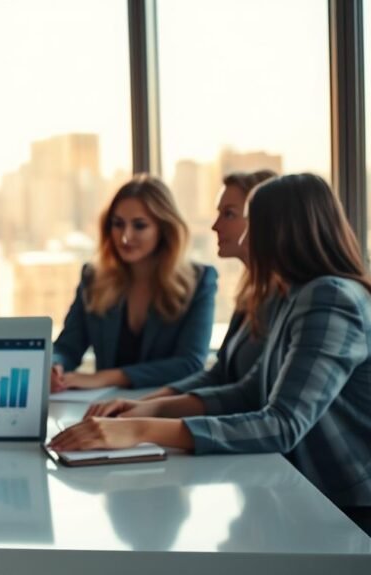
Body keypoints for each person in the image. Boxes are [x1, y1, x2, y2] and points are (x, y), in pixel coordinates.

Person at [54, 174, 371, 537]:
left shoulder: (330, 298)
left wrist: (139, 429)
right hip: (306, 495)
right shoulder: (295, 296)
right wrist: (150, 408)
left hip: (346, 508)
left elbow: (282, 425)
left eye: (253, 223)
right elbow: (248, 391)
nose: (245, 236)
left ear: (280, 231)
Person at [49, 174, 217, 393]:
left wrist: (108, 377)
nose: (125, 237)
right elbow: (67, 347)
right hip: (104, 408)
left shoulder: (199, 280)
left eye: (139, 226)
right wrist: (55, 367)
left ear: (163, 229)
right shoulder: (93, 278)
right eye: (118, 224)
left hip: (162, 410)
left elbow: (190, 364)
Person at [125, 170, 279, 402]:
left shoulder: (286, 299)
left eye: (229, 214)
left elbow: (249, 394)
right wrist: (146, 404)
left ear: (260, 219)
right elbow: (220, 374)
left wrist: (149, 417)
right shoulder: (249, 294)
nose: (215, 226)